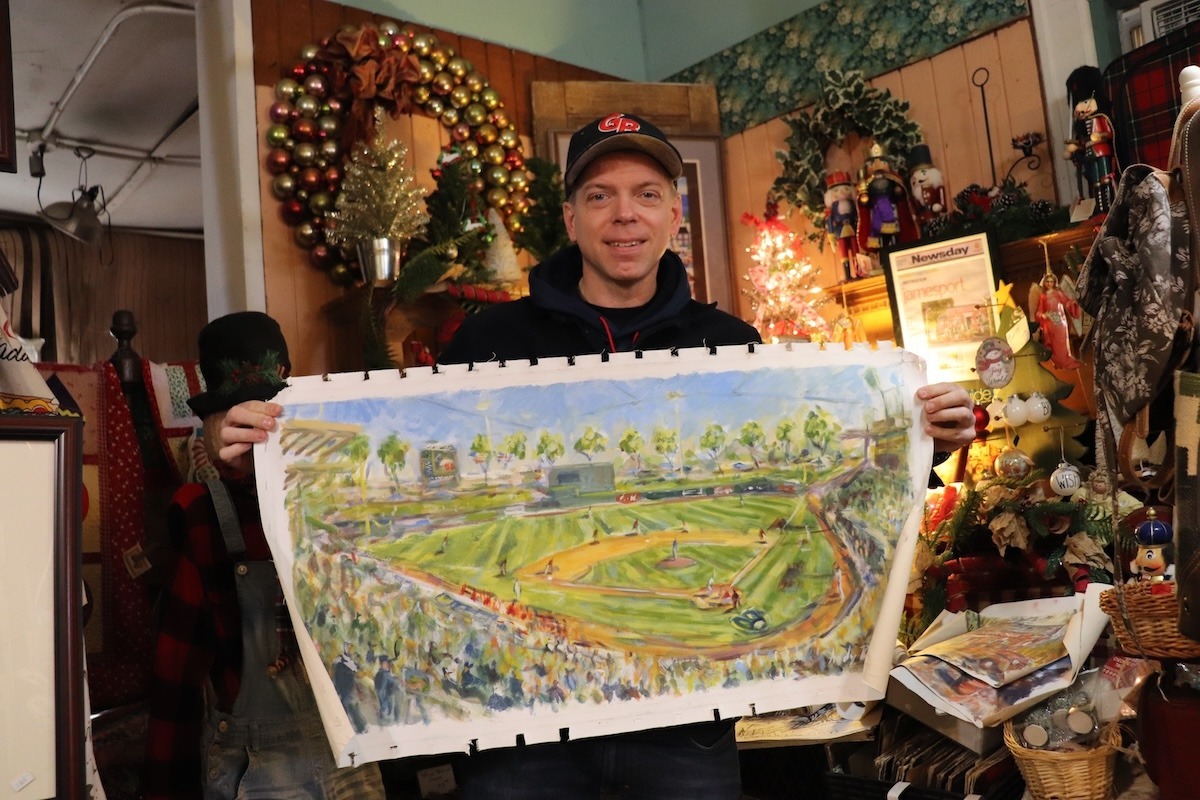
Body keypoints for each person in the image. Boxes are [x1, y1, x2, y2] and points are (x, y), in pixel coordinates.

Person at [216, 113, 975, 800]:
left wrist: (925, 442)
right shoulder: (488, 341)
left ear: (673, 214)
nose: (625, 215)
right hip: (521, 746)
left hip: (687, 736)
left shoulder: (731, 344)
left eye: (646, 194)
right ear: (571, 217)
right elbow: (365, 480)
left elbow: (837, 475)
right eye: (601, 196)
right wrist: (258, 465)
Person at [141, 311, 385, 800]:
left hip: (354, 760)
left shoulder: (336, 501)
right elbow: (177, 679)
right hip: (261, 773)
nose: (260, 433)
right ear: (217, 426)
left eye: (272, 414)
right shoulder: (203, 513)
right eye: (243, 419)